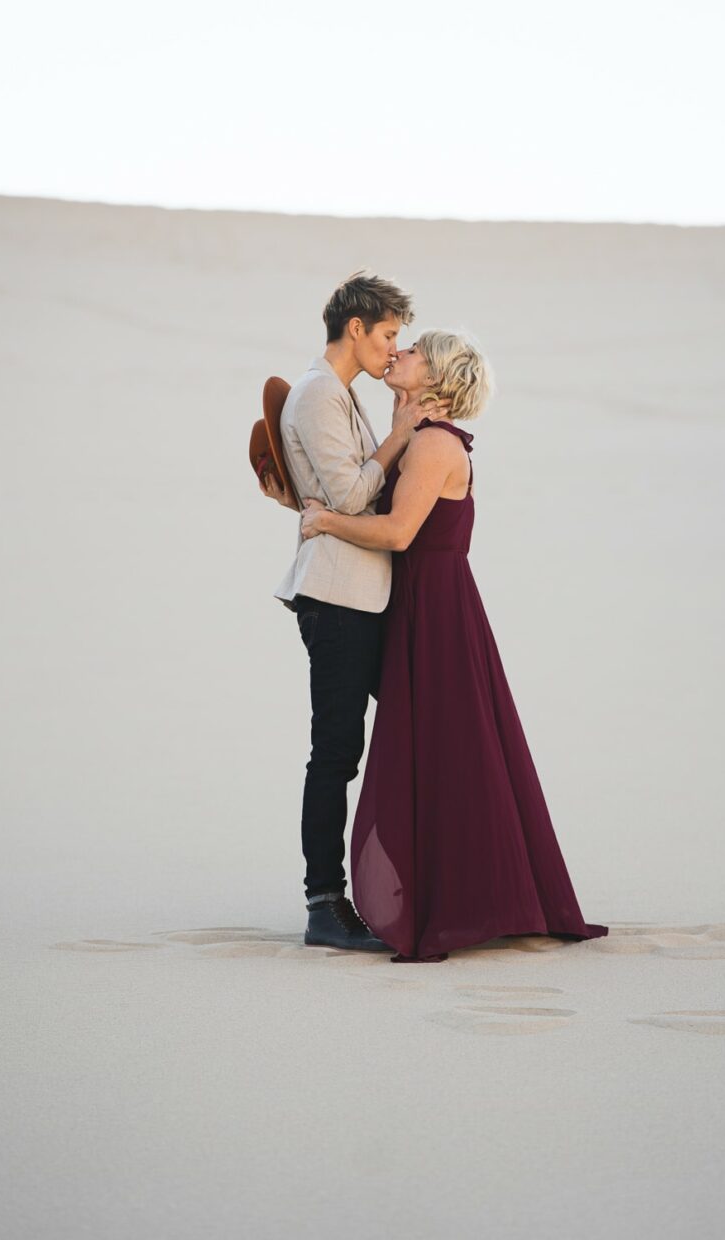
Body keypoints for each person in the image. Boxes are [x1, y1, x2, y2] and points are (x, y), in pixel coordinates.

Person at [299, 330, 609, 962]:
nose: (399, 354)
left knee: (453, 750)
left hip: (434, 610)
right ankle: (448, 890)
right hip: (415, 606)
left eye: (411, 351)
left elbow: (396, 530)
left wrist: (324, 521)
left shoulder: (436, 445)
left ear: (434, 378)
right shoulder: (414, 437)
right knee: (444, 750)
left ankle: (465, 900)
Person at [260, 272, 450, 953]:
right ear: (356, 329)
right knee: (336, 751)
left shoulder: (335, 395)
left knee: (388, 738)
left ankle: (407, 883)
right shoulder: (316, 393)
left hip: (358, 594)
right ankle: (324, 905)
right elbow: (348, 494)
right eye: (389, 335)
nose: (392, 349)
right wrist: (399, 435)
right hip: (336, 597)